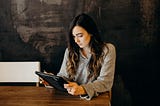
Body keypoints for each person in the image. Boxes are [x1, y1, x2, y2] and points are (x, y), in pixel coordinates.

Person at [43, 13, 116, 102]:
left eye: (80, 35)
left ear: (91, 33)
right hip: (72, 99)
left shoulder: (107, 50)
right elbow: (64, 77)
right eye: (74, 36)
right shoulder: (70, 51)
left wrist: (82, 89)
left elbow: (105, 82)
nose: (76, 40)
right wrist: (53, 81)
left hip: (96, 100)